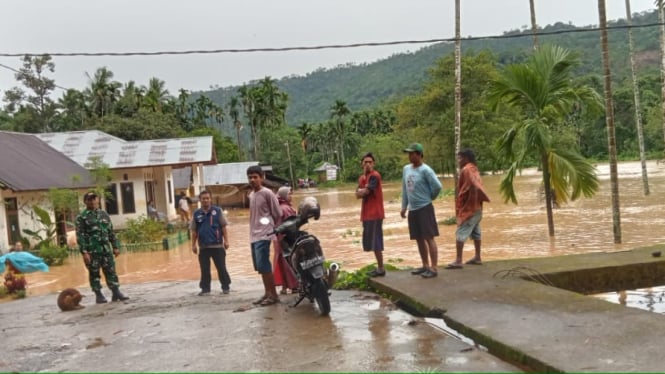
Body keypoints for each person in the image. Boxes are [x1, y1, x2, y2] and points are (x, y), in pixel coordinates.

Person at [76, 191, 129, 304]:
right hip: (92, 251)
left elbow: (110, 231)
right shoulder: (82, 217)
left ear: (98, 200)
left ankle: (116, 292)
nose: (93, 201)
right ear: (85, 202)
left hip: (106, 249)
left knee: (111, 271)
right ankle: (98, 294)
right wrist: (84, 252)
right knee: (94, 273)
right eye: (90, 199)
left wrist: (115, 246)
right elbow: (80, 236)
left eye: (95, 198)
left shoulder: (104, 214)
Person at [400, 143, 442, 279]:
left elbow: (437, 186)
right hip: (413, 209)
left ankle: (434, 267)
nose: (409, 156)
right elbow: (405, 189)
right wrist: (404, 206)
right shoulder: (406, 169)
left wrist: (430, 198)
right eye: (408, 153)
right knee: (418, 238)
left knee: (429, 237)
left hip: (425, 207)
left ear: (419, 154)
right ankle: (425, 265)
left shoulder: (426, 170)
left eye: (412, 153)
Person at [448, 148, 490, 269]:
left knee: (461, 232)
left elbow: (473, 184)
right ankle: (477, 257)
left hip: (470, 208)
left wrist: (463, 203)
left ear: (466, 158)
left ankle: (458, 260)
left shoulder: (466, 170)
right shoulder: (473, 168)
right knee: (476, 231)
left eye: (460, 158)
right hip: (477, 207)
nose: (459, 160)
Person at [247, 165, 282, 306]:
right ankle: (267, 292)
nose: (252, 180)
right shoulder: (251, 195)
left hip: (265, 234)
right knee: (260, 267)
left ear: (262, 178)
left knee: (264, 264)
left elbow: (277, 213)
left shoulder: (268, 193)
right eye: (250, 177)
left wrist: (271, 228)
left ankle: (273, 295)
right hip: (253, 234)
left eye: (255, 177)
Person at [190, 190, 231, 295]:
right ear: (200, 200)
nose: (205, 200)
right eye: (203, 198)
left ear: (210, 199)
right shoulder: (196, 214)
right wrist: (193, 245)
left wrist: (226, 241)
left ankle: (225, 287)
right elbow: (194, 231)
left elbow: (223, 227)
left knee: (221, 267)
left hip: (217, 246)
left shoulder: (217, 211)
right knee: (204, 269)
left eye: (207, 198)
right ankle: (205, 289)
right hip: (203, 247)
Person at [355, 152, 386, 277]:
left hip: (375, 213)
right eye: (365, 162)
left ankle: (381, 268)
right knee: (371, 242)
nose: (367, 164)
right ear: (362, 164)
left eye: (370, 162)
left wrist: (362, 191)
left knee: (376, 241)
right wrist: (361, 191)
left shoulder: (375, 176)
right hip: (367, 214)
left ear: (373, 164)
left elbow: (364, 192)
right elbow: (357, 194)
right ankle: (379, 267)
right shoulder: (362, 178)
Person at [272, 186, 299, 294]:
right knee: (290, 262)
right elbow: (291, 224)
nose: (291, 196)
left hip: (279, 238)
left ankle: (284, 286)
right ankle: (294, 285)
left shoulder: (280, 207)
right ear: (283, 195)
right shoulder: (285, 208)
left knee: (282, 262)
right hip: (286, 239)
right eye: (289, 194)